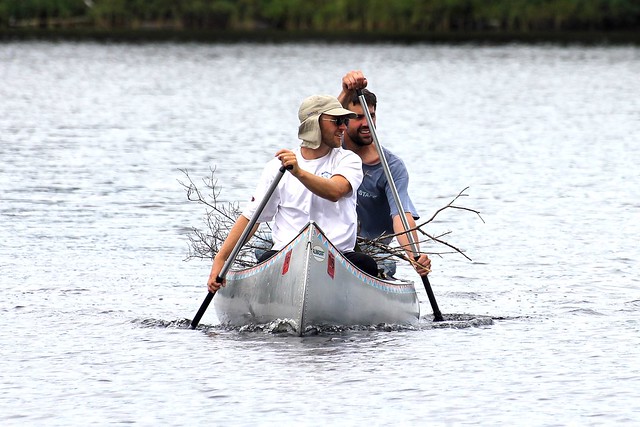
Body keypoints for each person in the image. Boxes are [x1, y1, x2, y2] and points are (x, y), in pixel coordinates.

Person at [207, 94, 378, 293]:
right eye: (337, 121)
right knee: (265, 260)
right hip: (287, 256)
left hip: (339, 257)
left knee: (367, 265)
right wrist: (220, 259)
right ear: (314, 124)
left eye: (345, 121)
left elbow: (335, 191)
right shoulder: (276, 168)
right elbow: (252, 218)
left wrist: (298, 172)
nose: (343, 127)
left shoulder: (348, 160)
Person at [338, 70, 431, 278]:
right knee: (264, 245)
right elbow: (321, 124)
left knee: (385, 264)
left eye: (370, 116)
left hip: (370, 248)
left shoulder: (392, 167)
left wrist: (415, 256)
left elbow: (401, 216)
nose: (366, 123)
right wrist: (344, 93)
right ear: (343, 122)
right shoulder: (332, 149)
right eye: (358, 117)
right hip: (330, 239)